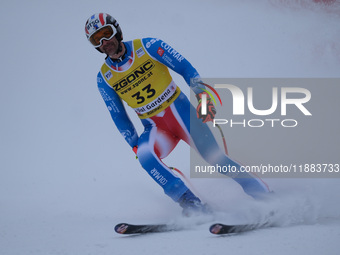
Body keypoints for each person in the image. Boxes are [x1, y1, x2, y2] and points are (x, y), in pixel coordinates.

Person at [85, 13, 271, 215]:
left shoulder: (148, 46)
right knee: (145, 156)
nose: (104, 42)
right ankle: (191, 204)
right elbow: (118, 114)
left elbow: (185, 68)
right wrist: (133, 143)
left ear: (117, 30)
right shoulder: (104, 78)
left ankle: (265, 197)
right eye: (97, 39)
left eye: (106, 33)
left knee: (216, 159)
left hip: (182, 115)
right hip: (155, 127)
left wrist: (203, 97)